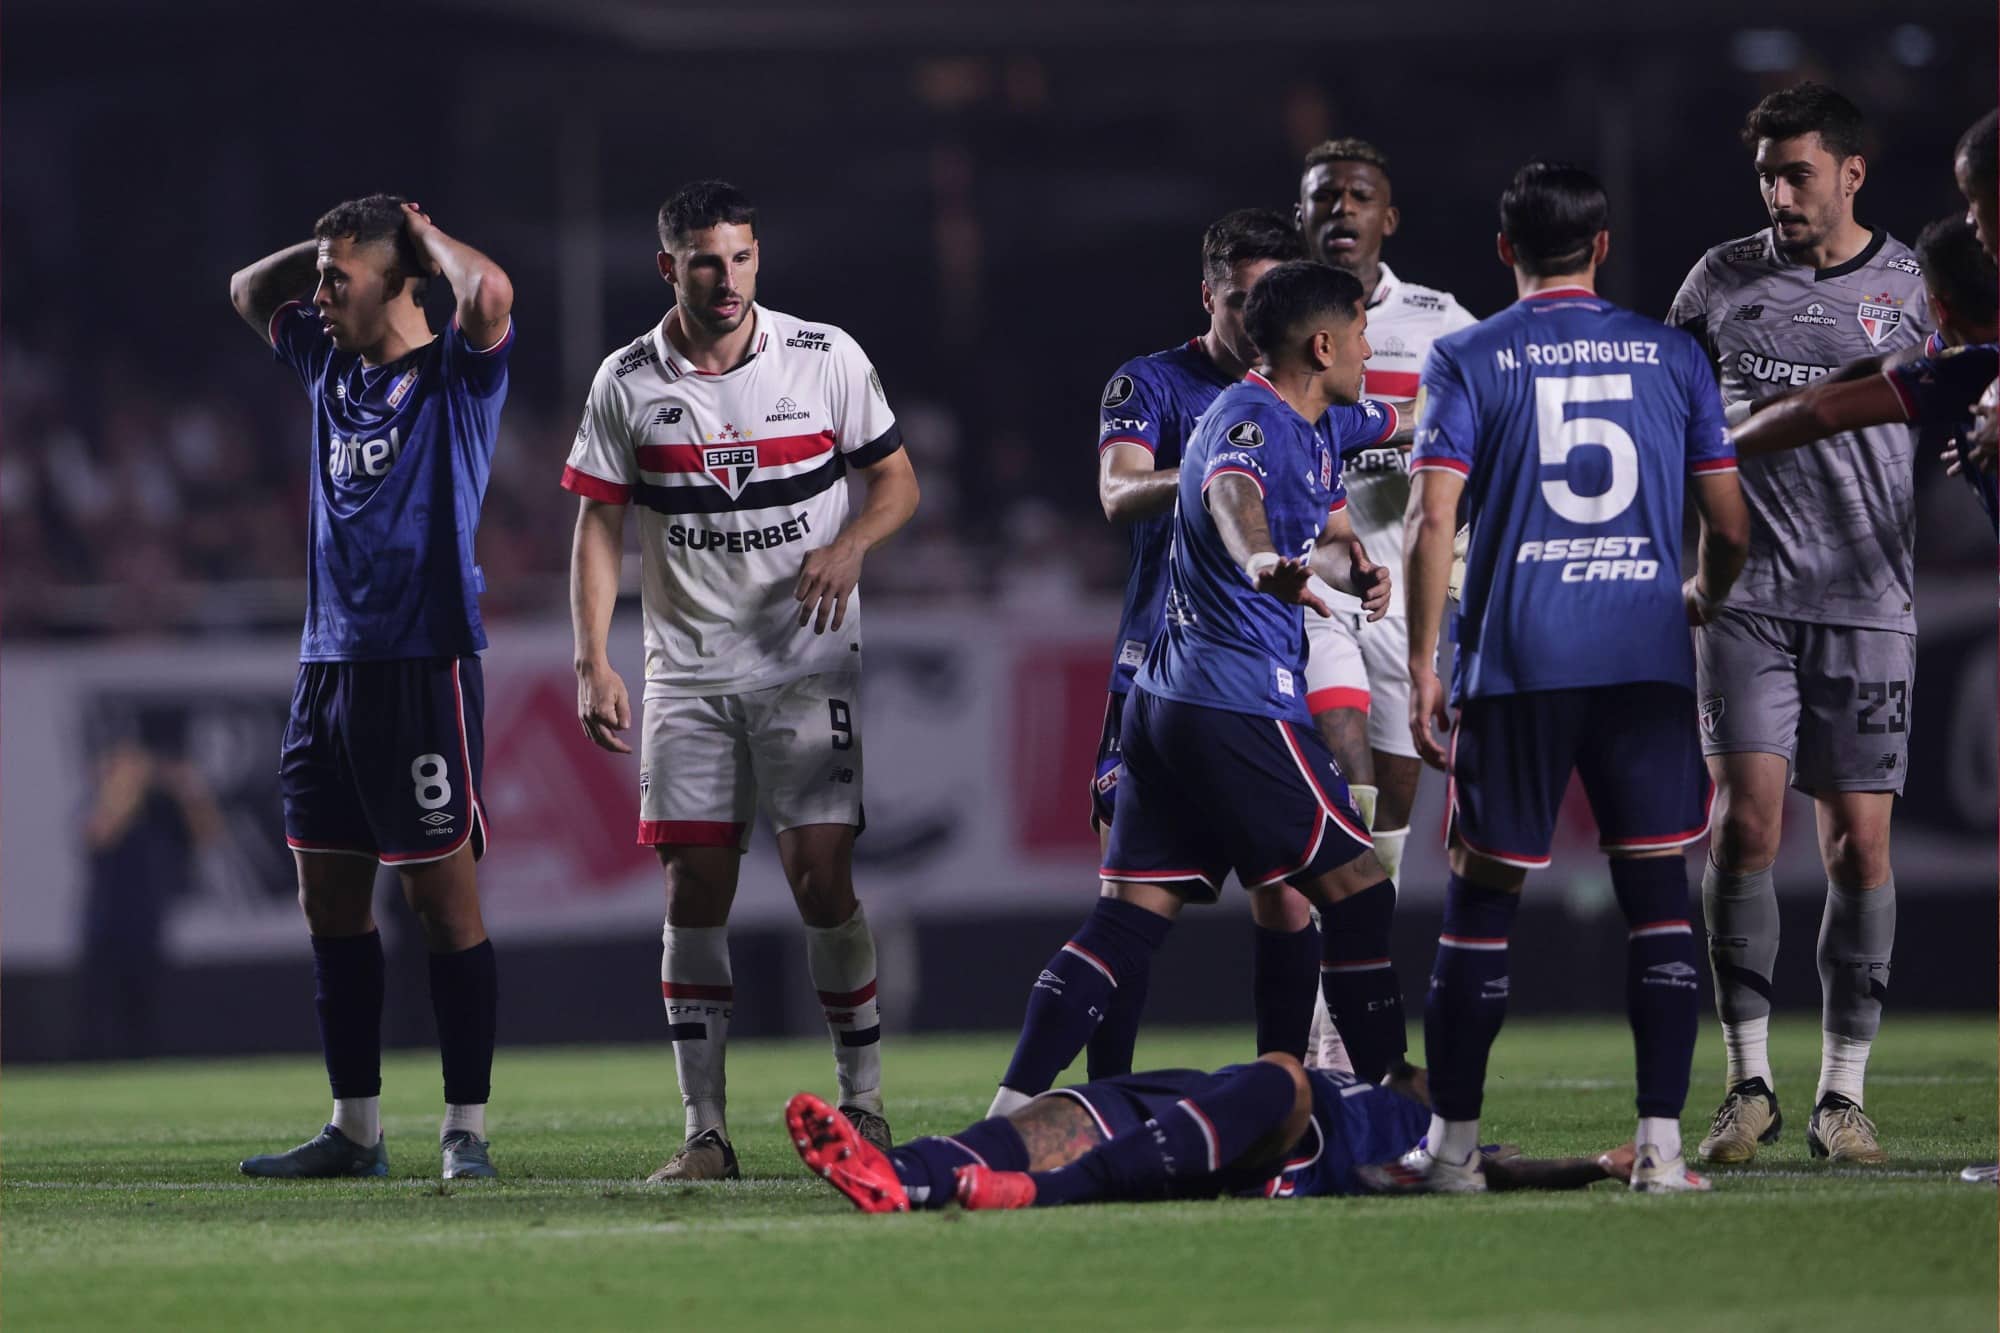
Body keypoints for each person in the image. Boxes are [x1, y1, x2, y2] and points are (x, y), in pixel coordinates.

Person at [1368, 161, 1750, 1197]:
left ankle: (1449, 1151)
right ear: (1601, 245)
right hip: (1639, 660)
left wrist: (1420, 661)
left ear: (1505, 252)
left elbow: (1430, 516)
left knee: (1479, 899)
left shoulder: (1467, 354)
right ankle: (1660, 1151)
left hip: (1519, 659)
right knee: (1656, 899)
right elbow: (1725, 525)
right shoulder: (1671, 356)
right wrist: (1695, 594)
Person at [987, 261, 1406, 1118]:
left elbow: (1405, 422)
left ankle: (1007, 1113)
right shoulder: (1248, 419)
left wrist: (1347, 561)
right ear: (1322, 345)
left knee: (1127, 918)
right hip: (1236, 698)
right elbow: (1229, 493)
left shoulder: (1323, 414)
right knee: (1361, 890)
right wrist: (1258, 557)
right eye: (1362, 333)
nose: (1372, 347)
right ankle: (1386, 1111)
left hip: (1166, 704)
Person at [564, 180, 921, 1181]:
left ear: (758, 257)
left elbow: (897, 480)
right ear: (667, 266)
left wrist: (850, 543)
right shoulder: (626, 380)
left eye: (740, 258)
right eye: (704, 261)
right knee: (693, 890)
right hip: (684, 674)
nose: (725, 280)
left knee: (821, 878)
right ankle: (705, 1133)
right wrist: (591, 655)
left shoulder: (823, 357)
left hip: (805, 667)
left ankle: (864, 1106)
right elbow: (595, 522)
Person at [1667, 83, 1934, 1166]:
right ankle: (1746, 1083)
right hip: (1747, 597)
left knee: (1856, 844)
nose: (1778, 192)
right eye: (1766, 174)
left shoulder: (1909, 286)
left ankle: (1841, 1096)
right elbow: (1670, 418)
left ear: (1849, 174)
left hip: (1868, 601)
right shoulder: (1718, 282)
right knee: (1742, 823)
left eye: (1796, 172)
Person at [228, 195, 516, 1180]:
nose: (317, 296)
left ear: (399, 281)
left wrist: (418, 232)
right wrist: (327, 245)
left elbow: (489, 291)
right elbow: (243, 290)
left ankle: (465, 1129)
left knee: (443, 905)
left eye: (338, 280)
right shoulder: (327, 362)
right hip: (326, 668)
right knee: (328, 905)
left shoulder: (455, 377)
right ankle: (355, 1128)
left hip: (419, 662)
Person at [1087, 209, 1319, 1083]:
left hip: (1265, 669)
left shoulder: (1304, 396)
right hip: (1154, 667)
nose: (1255, 320)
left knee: (1286, 889)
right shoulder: (1150, 384)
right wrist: (1229, 464)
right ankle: (1103, 1095)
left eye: (1272, 301)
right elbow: (1114, 494)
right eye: (1239, 301)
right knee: (1129, 902)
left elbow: (1389, 433)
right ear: (1208, 297)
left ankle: (1286, 1091)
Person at [1293, 137, 1479, 1074]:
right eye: (1325, 196)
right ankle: (1327, 1025)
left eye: (1359, 195)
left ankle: (1341, 1015)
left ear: (1387, 217)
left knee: (1391, 815)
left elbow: (1491, 423)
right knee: (1343, 787)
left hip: (1413, 595)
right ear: (1302, 216)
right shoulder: (1275, 317)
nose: (1341, 210)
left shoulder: (1441, 322)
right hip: (1314, 590)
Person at [786, 1056, 1636, 1213]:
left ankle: (1034, 1196)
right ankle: (894, 1174)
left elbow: (1505, 1170)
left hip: (1281, 1138)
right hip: (1199, 1100)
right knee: (1058, 1115)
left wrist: (1594, 1163)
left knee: (1280, 1078)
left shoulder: (1439, 1136)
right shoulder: (1381, 1076)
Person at [1728, 216, 1997, 531]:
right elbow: (1878, 367)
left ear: (1939, 307)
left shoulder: (1970, 367)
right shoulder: (1958, 353)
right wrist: (1741, 413)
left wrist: (1712, 450)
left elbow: (1819, 413)